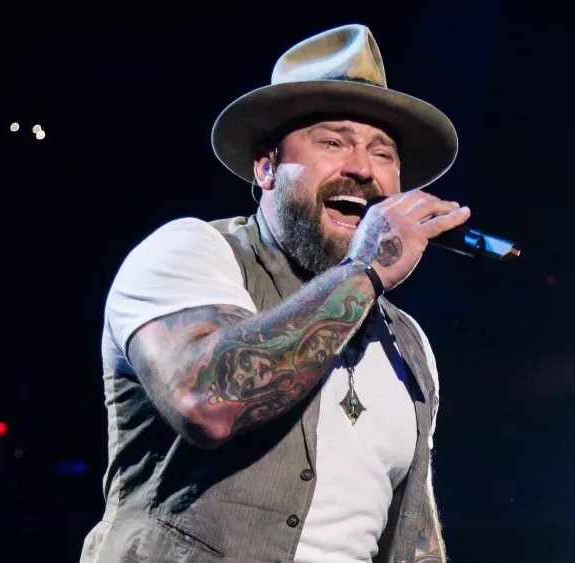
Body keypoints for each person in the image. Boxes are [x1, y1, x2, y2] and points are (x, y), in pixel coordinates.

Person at [81, 24, 468, 563]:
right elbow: (208, 402)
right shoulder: (190, 252)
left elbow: (414, 534)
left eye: (382, 154)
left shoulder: (407, 342)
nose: (361, 168)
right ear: (266, 167)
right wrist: (366, 271)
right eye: (333, 142)